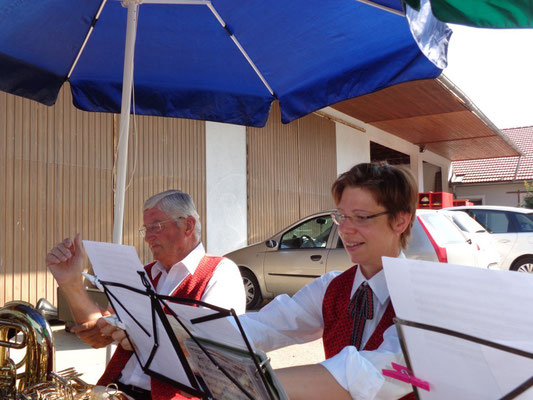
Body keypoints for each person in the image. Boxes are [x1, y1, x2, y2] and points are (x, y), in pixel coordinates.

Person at [46, 189, 246, 400]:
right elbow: (97, 336)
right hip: (114, 389)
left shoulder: (220, 272)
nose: (148, 238)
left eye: (156, 227)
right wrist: (71, 282)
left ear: (188, 225)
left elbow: (215, 357)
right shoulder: (144, 273)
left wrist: (140, 336)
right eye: (146, 229)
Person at [241, 162, 418, 400]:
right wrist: (191, 335)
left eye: (361, 217)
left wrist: (255, 382)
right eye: (342, 216)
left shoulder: (423, 299)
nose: (345, 229)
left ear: (400, 221)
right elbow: (266, 325)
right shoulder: (332, 287)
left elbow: (372, 374)